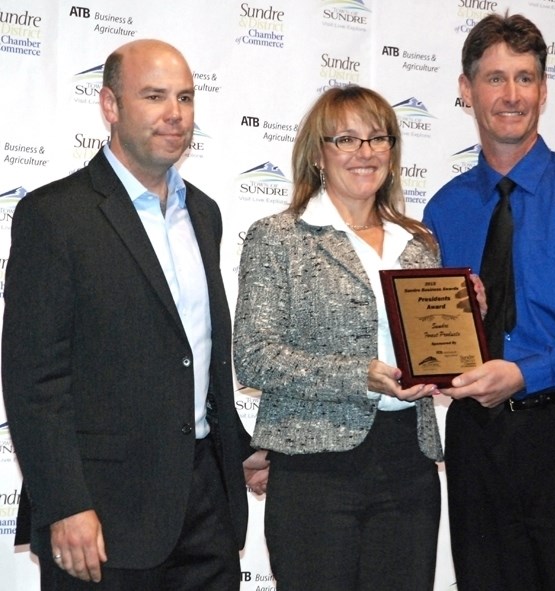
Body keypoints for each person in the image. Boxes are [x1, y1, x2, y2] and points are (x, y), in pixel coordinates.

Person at [2, 39, 267, 591]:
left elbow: (191, 355)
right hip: (101, 516)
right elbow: (34, 382)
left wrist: (236, 450)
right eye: (154, 96)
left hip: (206, 512)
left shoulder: (205, 213)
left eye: (186, 98)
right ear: (110, 106)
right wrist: (65, 505)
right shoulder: (54, 216)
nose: (176, 113)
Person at [234, 85, 483, 591]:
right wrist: (361, 376)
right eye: (346, 138)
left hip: (408, 463)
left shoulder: (419, 245)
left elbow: (434, 348)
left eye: (378, 138)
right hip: (314, 468)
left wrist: (466, 320)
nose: (365, 152)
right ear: (318, 155)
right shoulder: (279, 237)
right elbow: (255, 357)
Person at [423, 13, 555, 591]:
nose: (511, 95)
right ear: (466, 90)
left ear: (544, 89)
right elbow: (428, 330)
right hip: (476, 442)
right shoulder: (442, 211)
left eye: (524, 78)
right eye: (494, 78)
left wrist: (524, 373)